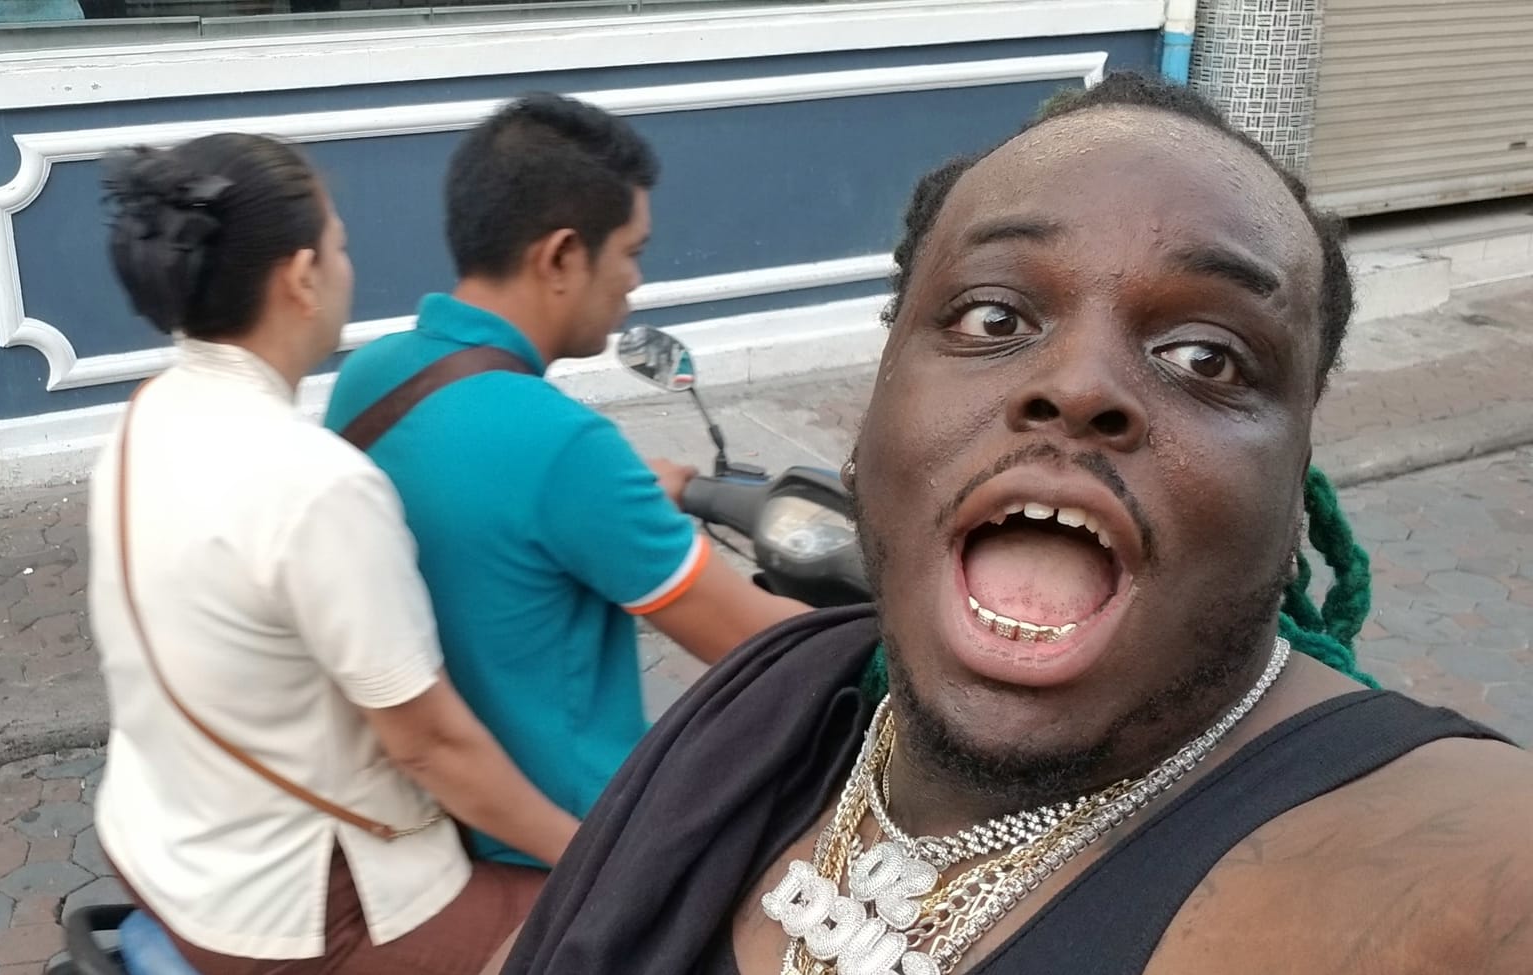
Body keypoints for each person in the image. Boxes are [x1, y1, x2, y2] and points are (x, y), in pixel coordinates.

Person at [490, 73, 1533, 975]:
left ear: (1296, 478)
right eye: (993, 316)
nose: (1078, 385)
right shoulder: (761, 714)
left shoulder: (1466, 864)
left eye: (1206, 357)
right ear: (875, 405)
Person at [84, 132, 577, 975]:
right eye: (341, 246)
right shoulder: (317, 484)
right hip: (300, 917)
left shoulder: (147, 414)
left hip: (157, 847)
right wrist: (597, 853)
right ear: (303, 276)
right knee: (632, 924)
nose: (349, 266)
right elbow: (430, 748)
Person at [323, 93, 811, 869]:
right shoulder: (566, 446)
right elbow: (765, 644)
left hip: (426, 815)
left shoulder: (371, 376)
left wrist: (625, 501)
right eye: (630, 252)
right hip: (568, 841)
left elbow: (490, 523)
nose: (635, 281)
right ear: (560, 257)